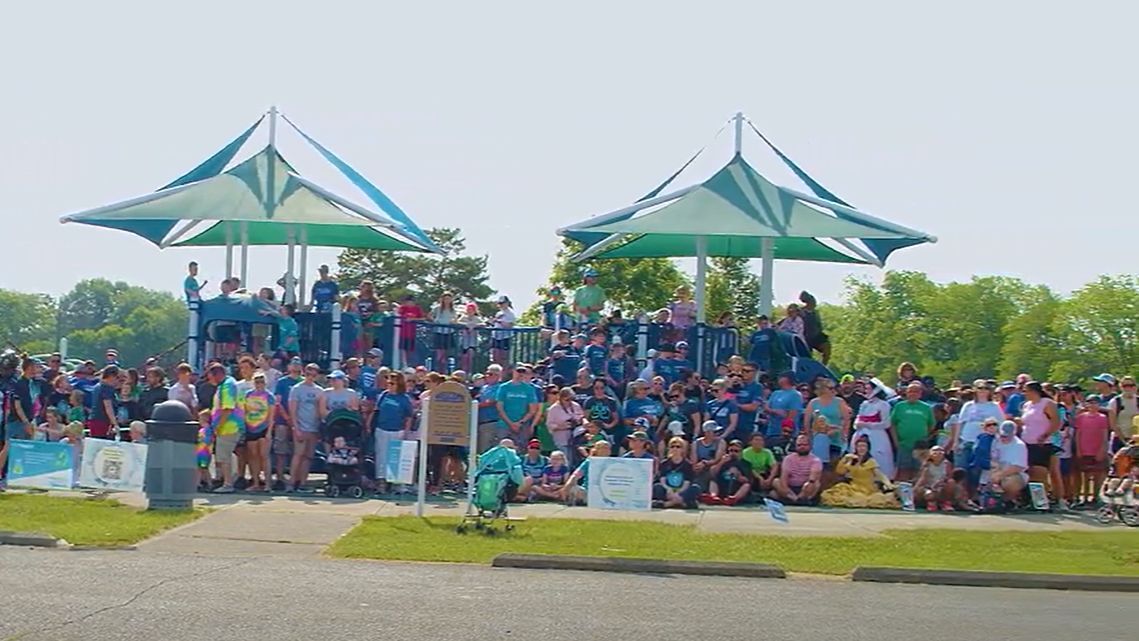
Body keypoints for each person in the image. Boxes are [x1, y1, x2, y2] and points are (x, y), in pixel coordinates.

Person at [1019, 381, 1064, 507]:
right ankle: (1034, 501)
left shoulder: (1047, 403)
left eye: (1026, 391)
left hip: (1042, 443)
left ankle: (1043, 501)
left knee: (1040, 472)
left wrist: (1045, 435)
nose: (1024, 394)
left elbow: (1056, 422)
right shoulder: (1027, 405)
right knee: (1031, 472)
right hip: (1027, 442)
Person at [820, 436, 898, 509]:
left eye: (864, 446)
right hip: (853, 487)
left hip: (867, 489)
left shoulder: (870, 461)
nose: (861, 448)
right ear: (856, 448)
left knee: (866, 499)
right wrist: (845, 459)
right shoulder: (852, 460)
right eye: (859, 446)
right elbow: (840, 472)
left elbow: (879, 474)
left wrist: (887, 483)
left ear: (868, 448)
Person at [950, 380, 1004, 476]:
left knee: (976, 471)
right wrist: (956, 441)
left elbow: (1000, 424)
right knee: (960, 469)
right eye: (980, 388)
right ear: (975, 390)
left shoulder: (994, 406)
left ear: (989, 391)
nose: (983, 390)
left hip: (983, 442)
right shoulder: (968, 405)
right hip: (966, 439)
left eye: (986, 388)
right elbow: (961, 423)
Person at [372, 373, 415, 492]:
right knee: (381, 455)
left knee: (395, 456)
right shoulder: (384, 395)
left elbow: (409, 416)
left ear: (399, 384)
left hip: (397, 430)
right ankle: (381, 482)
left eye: (392, 383)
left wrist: (406, 431)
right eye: (388, 382)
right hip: (381, 428)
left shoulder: (404, 398)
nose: (389, 385)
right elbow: (377, 410)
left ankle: (395, 482)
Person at [207, 362, 245, 494]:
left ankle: (228, 483)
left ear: (217, 375)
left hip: (228, 427)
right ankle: (226, 480)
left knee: (224, 457)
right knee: (224, 456)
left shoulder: (227, 386)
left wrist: (218, 425)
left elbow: (228, 409)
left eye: (210, 376)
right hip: (228, 427)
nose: (209, 379)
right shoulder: (227, 383)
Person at [287, 363, 325, 493]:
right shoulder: (297, 389)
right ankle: (291, 483)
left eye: (314, 375)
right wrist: (295, 427)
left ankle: (303, 483)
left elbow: (321, 411)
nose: (311, 377)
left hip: (313, 428)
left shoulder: (320, 390)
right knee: (298, 454)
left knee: (308, 456)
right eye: (308, 374)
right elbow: (292, 410)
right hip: (301, 427)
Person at [889, 382, 934, 481]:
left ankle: (914, 493)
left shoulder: (926, 408)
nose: (913, 394)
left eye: (916, 392)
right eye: (910, 391)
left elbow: (931, 425)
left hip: (920, 446)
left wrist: (924, 437)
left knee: (918, 470)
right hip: (904, 444)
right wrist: (896, 441)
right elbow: (892, 424)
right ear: (906, 393)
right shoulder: (899, 406)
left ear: (920, 394)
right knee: (903, 470)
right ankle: (903, 493)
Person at [803, 378, 851, 470]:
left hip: (836, 437)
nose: (834, 390)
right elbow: (807, 422)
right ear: (822, 389)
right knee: (819, 465)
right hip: (818, 437)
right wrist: (809, 437)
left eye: (834, 388)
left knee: (834, 465)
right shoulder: (813, 403)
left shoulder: (839, 402)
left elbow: (847, 419)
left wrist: (844, 433)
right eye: (830, 388)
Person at [850, 384, 896, 480]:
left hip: (877, 435)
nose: (865, 391)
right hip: (861, 434)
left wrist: (868, 425)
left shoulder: (883, 404)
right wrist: (857, 424)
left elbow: (886, 423)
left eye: (868, 389)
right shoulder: (864, 404)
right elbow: (858, 417)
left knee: (877, 456)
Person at [1074, 395, 1111, 505]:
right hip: (1084, 449)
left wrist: (1102, 450)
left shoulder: (1102, 418)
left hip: (1097, 449)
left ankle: (1095, 497)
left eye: (1095, 403)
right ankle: (1083, 498)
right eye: (1090, 402)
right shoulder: (1081, 417)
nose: (1092, 405)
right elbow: (1078, 434)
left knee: (1097, 474)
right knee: (1084, 474)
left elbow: (1104, 435)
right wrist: (1078, 450)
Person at [242, 371, 275, 492]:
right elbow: (244, 412)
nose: (259, 384)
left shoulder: (269, 396)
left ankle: (268, 484)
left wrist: (269, 432)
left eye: (261, 381)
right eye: (257, 381)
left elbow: (271, 416)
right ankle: (255, 482)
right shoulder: (248, 395)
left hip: (264, 428)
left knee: (264, 456)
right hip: (251, 427)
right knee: (253, 457)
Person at [772, 434, 822, 505]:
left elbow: (812, 479)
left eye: (804, 445)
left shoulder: (816, 460)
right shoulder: (788, 459)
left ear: (810, 446)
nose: (802, 447)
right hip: (790, 488)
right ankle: (795, 500)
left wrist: (802, 494)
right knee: (776, 482)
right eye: (799, 445)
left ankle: (803, 499)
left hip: (805, 488)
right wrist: (793, 496)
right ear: (795, 446)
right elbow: (784, 478)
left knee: (816, 484)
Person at [989, 420, 1029, 507]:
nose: (1003, 438)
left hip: (1014, 474)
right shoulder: (995, 441)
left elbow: (1018, 467)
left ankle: (1008, 501)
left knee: (1010, 482)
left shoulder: (1019, 445)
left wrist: (1000, 475)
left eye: (1006, 436)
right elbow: (992, 458)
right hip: (996, 469)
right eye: (1002, 435)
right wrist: (995, 470)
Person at [562, 438, 611, 505]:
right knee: (573, 488)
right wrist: (567, 486)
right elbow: (576, 475)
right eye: (602, 448)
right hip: (588, 491)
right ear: (596, 450)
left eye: (607, 448)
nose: (606, 450)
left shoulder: (612, 463)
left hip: (607, 493)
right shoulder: (589, 462)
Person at [654, 437, 700, 509]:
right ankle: (681, 504)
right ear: (669, 448)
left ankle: (668, 504)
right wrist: (669, 490)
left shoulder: (688, 465)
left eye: (678, 447)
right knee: (657, 487)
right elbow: (662, 480)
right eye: (672, 446)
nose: (675, 449)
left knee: (695, 488)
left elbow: (686, 483)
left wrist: (677, 493)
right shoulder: (664, 463)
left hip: (682, 490)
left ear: (682, 449)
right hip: (668, 490)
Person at [913, 445, 963, 511]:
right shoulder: (926, 464)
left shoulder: (947, 464)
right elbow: (923, 478)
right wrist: (915, 489)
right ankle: (932, 503)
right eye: (935, 451)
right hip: (930, 487)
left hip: (942, 487)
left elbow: (949, 477)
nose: (938, 453)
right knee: (929, 494)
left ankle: (945, 503)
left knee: (951, 482)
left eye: (940, 451)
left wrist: (941, 483)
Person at [704, 439, 751, 505]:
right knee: (712, 481)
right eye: (731, 450)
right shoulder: (724, 461)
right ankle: (713, 497)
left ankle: (734, 499)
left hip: (736, 486)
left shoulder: (746, 464)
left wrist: (738, 475)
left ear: (741, 452)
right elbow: (713, 473)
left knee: (746, 485)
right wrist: (721, 462)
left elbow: (747, 480)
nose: (733, 453)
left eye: (736, 451)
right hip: (722, 485)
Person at [546, 387, 585, 463]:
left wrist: (578, 421)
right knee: (566, 461)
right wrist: (561, 426)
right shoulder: (553, 409)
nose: (569, 402)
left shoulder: (576, 405)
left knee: (577, 460)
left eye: (571, 399)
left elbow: (581, 416)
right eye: (567, 400)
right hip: (562, 438)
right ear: (561, 398)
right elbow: (549, 425)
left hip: (576, 438)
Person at [741, 432, 778, 498]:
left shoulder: (767, 452)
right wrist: (760, 478)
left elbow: (774, 465)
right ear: (750, 442)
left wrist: (770, 478)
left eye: (761, 440)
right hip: (751, 474)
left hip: (764, 473)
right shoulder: (745, 452)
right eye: (756, 440)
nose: (759, 442)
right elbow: (749, 468)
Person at [429, 292, 459, 371]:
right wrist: (435, 320)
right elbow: (430, 315)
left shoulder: (453, 309)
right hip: (439, 331)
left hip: (449, 332)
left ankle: (444, 370)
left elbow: (455, 319)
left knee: (445, 353)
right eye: (445, 298)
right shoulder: (437, 308)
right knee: (439, 353)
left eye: (449, 299)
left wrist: (453, 322)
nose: (447, 300)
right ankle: (437, 369)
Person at [798, 291, 830, 365]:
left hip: (816, 336)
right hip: (805, 337)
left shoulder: (815, 313)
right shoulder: (801, 312)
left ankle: (823, 366)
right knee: (807, 354)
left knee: (827, 348)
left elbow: (819, 325)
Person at [1107, 375, 1139, 450]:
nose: (1128, 388)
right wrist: (1125, 442)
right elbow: (1113, 425)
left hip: (1137, 440)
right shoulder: (1115, 402)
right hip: (1120, 440)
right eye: (1125, 386)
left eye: (1131, 385)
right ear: (1121, 387)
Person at [396, 294, 425, 367]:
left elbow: (423, 318)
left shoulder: (417, 309)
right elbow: (398, 315)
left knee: (411, 350)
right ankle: (403, 364)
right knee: (402, 350)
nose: (410, 303)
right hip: (402, 333)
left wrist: (413, 319)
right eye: (408, 302)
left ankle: (410, 365)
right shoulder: (402, 308)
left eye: (412, 302)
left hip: (412, 333)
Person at [490, 296, 516, 366]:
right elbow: (493, 323)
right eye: (500, 303)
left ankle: (504, 374)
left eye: (502, 303)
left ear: (507, 303)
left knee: (504, 357)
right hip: (496, 336)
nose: (501, 305)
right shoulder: (499, 313)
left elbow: (509, 325)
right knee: (495, 356)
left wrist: (499, 321)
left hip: (505, 337)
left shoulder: (511, 313)